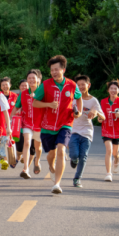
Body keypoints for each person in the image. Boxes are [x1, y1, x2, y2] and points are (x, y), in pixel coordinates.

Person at [33, 55, 83, 194]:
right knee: (51, 154)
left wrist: (78, 112)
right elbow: (35, 102)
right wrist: (48, 104)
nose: (54, 72)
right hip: (47, 126)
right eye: (52, 70)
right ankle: (51, 166)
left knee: (61, 150)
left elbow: (79, 98)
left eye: (56, 69)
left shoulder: (72, 85)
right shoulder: (45, 85)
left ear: (63, 70)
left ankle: (57, 184)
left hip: (65, 123)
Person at [68, 75, 105, 188]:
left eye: (82, 85)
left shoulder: (94, 100)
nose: (80, 87)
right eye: (78, 85)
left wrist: (96, 112)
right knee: (74, 155)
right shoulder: (72, 98)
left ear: (88, 85)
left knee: (83, 157)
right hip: (73, 130)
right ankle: (73, 159)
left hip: (87, 132)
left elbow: (102, 117)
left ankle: (77, 178)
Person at [11, 70, 44, 179]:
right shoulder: (23, 93)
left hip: (40, 124)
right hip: (27, 123)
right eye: (29, 78)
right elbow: (16, 107)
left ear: (39, 79)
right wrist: (10, 121)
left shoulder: (43, 92)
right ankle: (25, 168)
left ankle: (37, 161)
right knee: (26, 143)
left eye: (33, 78)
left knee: (38, 147)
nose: (31, 80)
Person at [100, 79, 119, 182]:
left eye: (115, 89)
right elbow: (100, 115)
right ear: (108, 90)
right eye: (111, 88)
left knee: (115, 153)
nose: (113, 90)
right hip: (107, 129)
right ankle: (108, 173)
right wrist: (99, 118)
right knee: (108, 150)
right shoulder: (103, 101)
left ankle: (117, 159)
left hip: (118, 131)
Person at [0, 77, 19, 163]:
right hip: (2, 121)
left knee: (11, 140)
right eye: (3, 85)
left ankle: (12, 157)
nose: (5, 86)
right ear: (0, 87)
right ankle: (4, 159)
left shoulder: (15, 96)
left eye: (6, 84)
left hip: (13, 122)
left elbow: (19, 107)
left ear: (10, 85)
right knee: (2, 140)